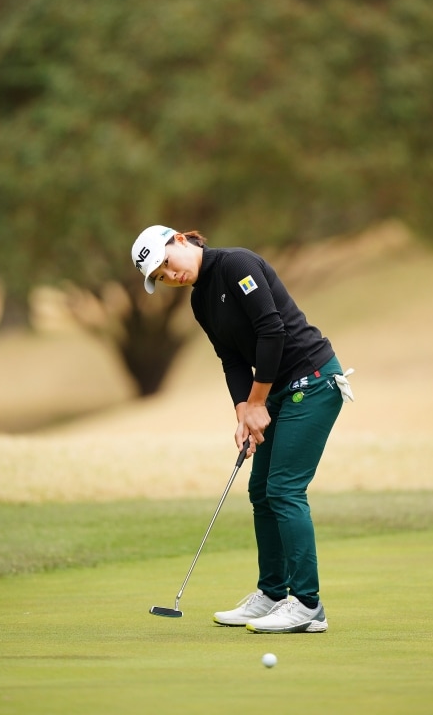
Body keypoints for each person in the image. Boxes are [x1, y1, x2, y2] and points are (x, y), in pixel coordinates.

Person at [131, 224, 354, 634]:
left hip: (313, 380)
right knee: (261, 491)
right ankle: (271, 594)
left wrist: (256, 403)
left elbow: (272, 331)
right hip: (277, 390)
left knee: (284, 489)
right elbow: (231, 359)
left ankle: (308, 605)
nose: (171, 276)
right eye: (161, 277)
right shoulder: (200, 300)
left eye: (167, 264)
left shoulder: (237, 264)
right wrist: (243, 413)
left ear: (180, 240)